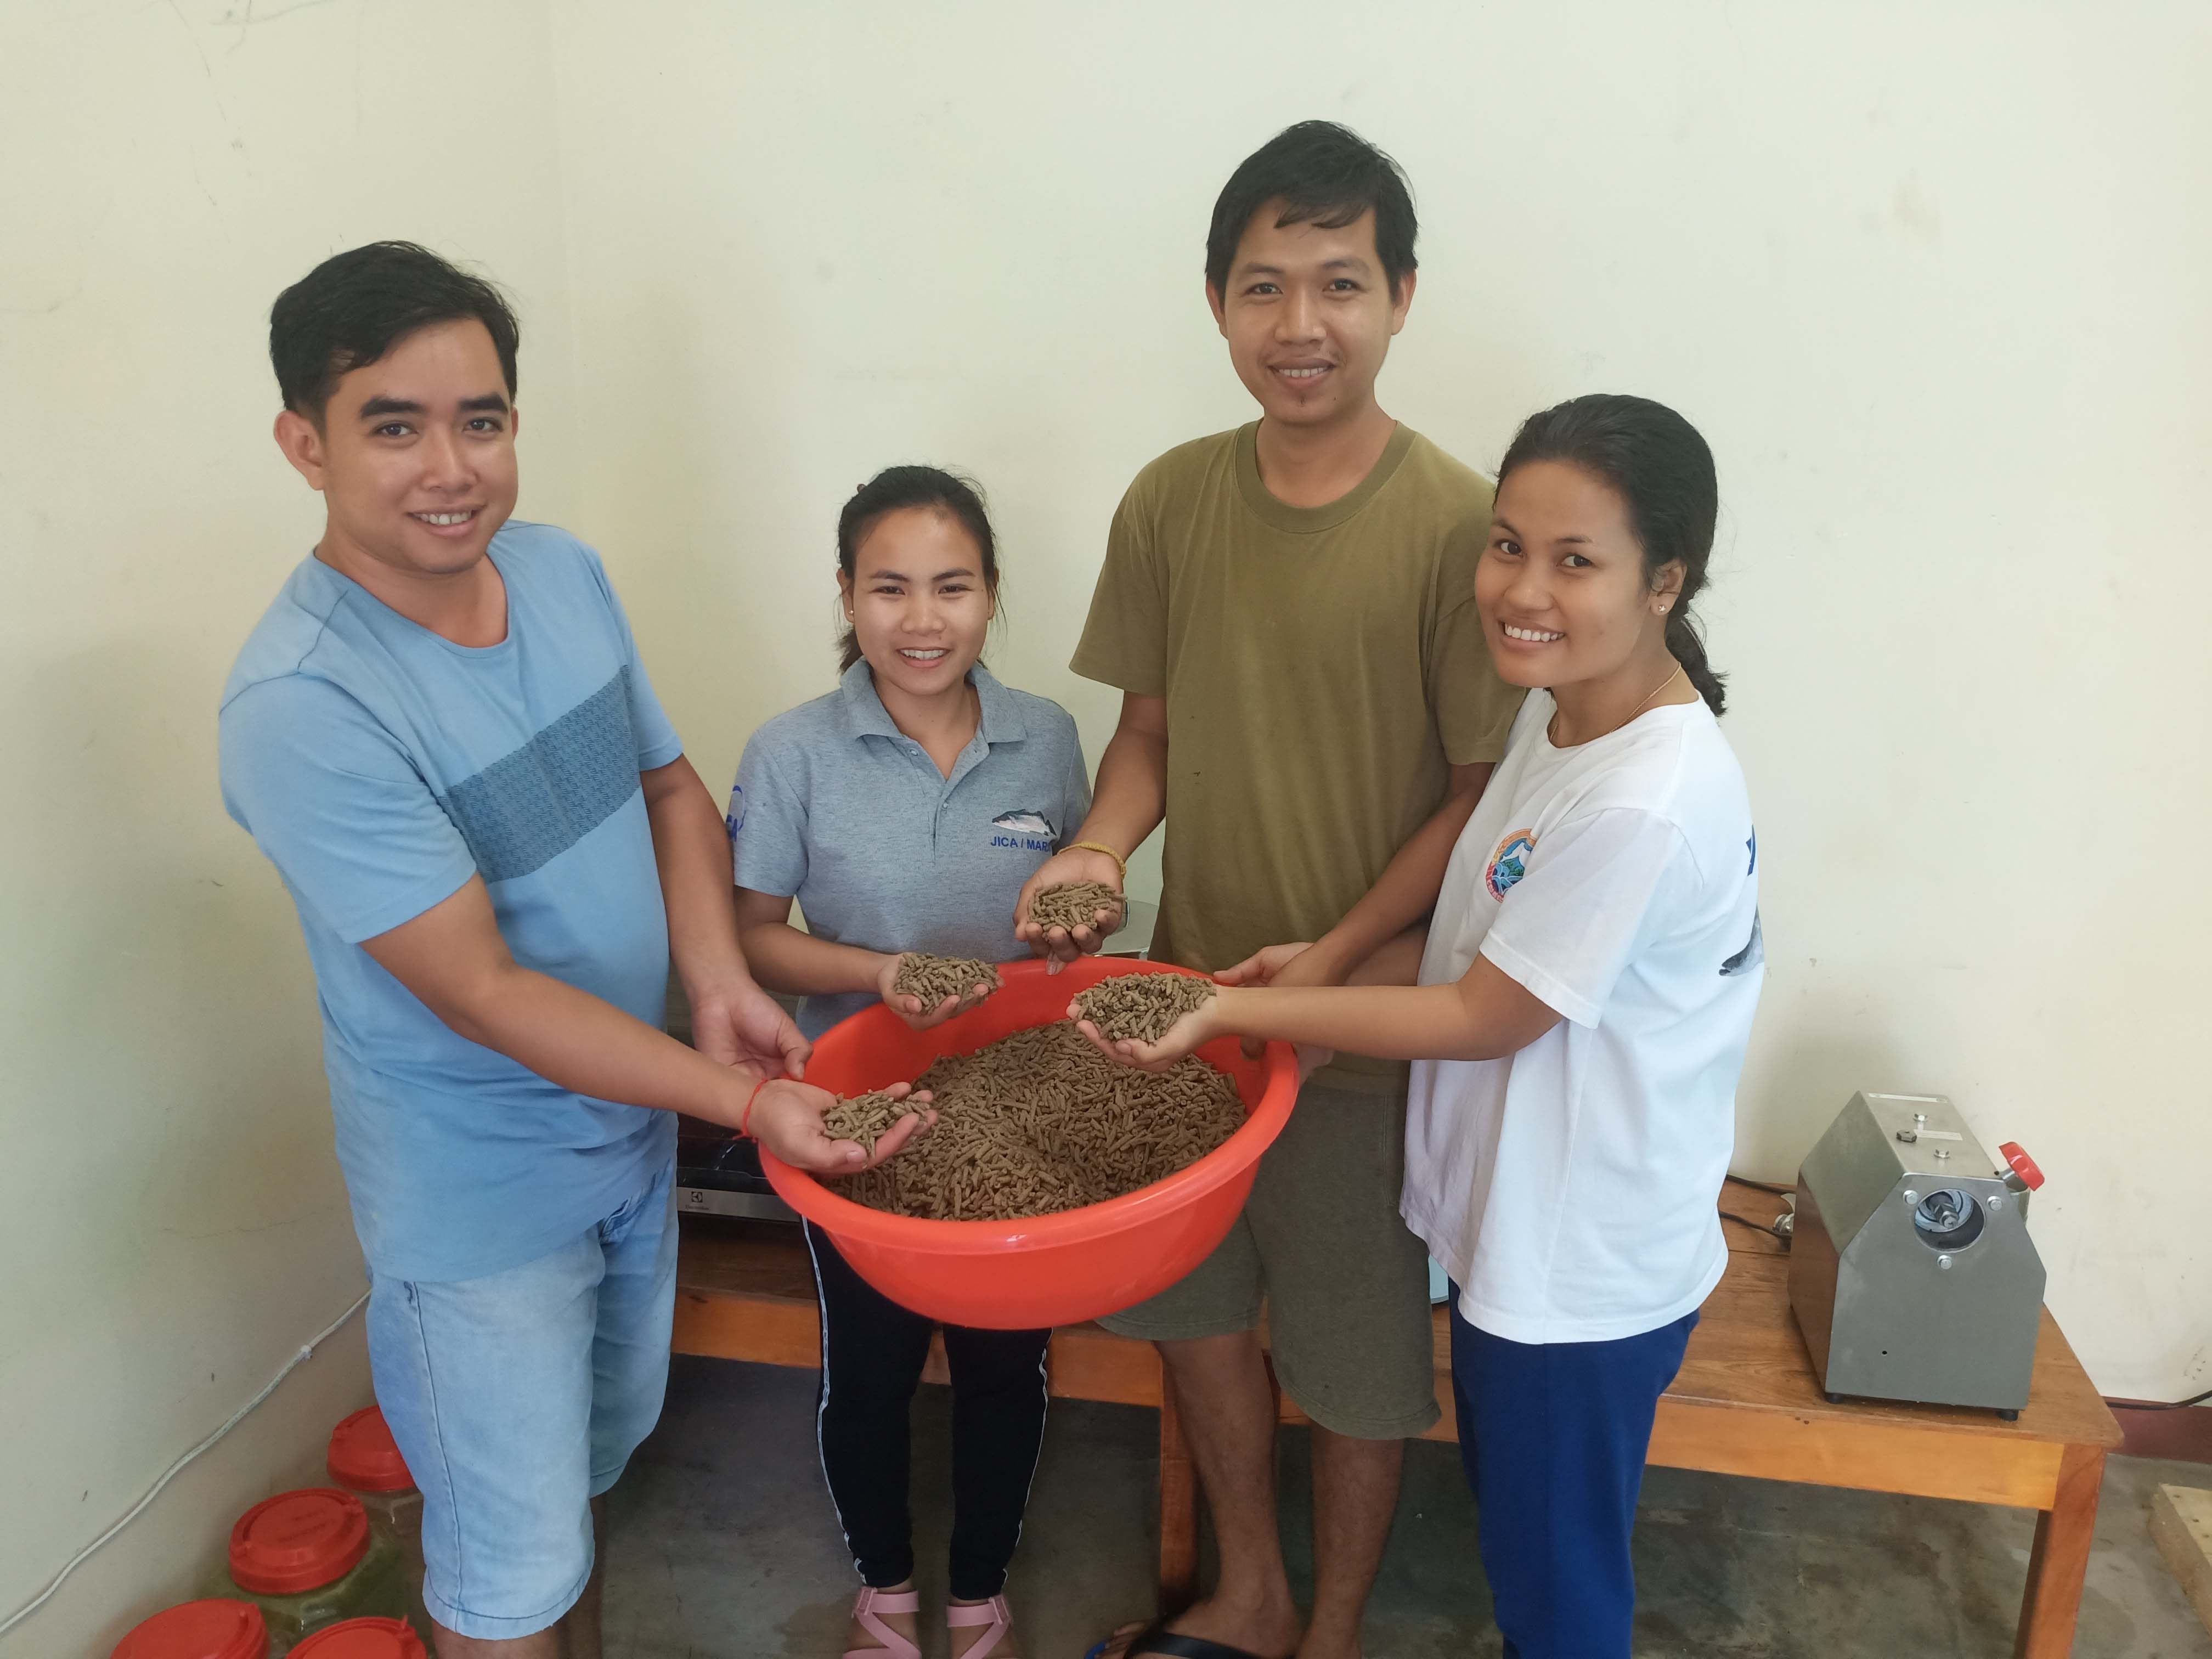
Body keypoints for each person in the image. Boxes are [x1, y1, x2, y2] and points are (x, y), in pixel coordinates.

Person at [219, 242, 924, 1659]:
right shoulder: (304, 703)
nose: (451, 466)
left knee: (576, 1509)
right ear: (305, 443)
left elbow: (666, 787)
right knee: (506, 1580)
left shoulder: (557, 573)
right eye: (394, 425)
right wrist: (740, 1096)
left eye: (481, 419)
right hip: (481, 1210)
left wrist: (720, 981)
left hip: (628, 1143)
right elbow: (478, 988)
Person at [1078, 394, 1764, 1659]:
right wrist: (1317, 976)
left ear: (1666, 580)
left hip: (1582, 1272)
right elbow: (1472, 935)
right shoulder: (1560, 722)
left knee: (1557, 1596)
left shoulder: (1644, 801)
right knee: (1526, 1549)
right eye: (1508, 545)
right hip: (1523, 1244)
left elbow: (1482, 1013)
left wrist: (1230, 1007)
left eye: (1577, 561)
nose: (1526, 588)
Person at [1022, 123, 1526, 1659]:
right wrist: (1100, 849)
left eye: (1339, 284)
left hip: (1367, 1030)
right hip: (1185, 1014)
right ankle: (1251, 1589)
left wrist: (1338, 960)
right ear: (1218, 303)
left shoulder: (1461, 527)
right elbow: (1150, 740)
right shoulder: (1171, 503)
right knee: (1196, 1321)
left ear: (1403, 296)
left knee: (1362, 1357)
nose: (1300, 325)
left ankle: (1339, 1629)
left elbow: (1475, 799)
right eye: (1264, 286)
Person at [727, 466, 1092, 1659]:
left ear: (992, 598)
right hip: (855, 1112)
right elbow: (753, 932)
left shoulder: (1049, 737)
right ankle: (885, 1590)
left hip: (1019, 1113)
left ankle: (980, 1590)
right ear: (846, 593)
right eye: (889, 587)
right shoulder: (793, 752)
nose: (921, 618)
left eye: (952, 586)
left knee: (1005, 1366)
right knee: (871, 1371)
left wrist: (1075, 926)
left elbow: (1068, 908)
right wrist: (883, 972)